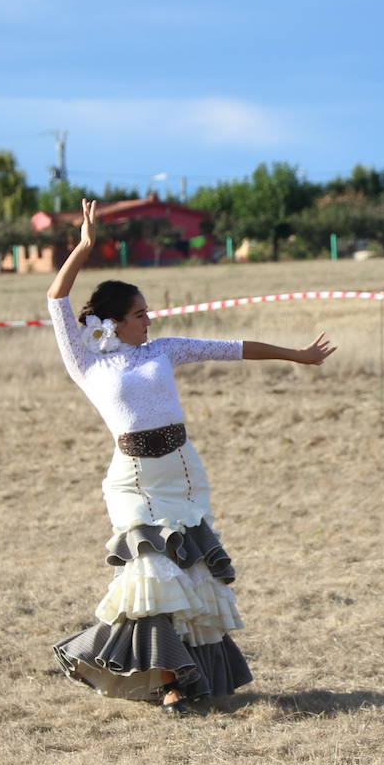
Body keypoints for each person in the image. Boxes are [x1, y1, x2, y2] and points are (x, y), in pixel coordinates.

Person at [48, 200, 336, 714]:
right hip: (131, 482)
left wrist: (298, 356)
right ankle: (170, 685)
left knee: (190, 577)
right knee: (149, 575)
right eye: (139, 315)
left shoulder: (165, 348)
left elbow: (233, 348)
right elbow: (56, 298)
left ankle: (189, 675)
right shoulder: (86, 361)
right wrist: (85, 247)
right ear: (111, 323)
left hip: (182, 475)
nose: (149, 320)